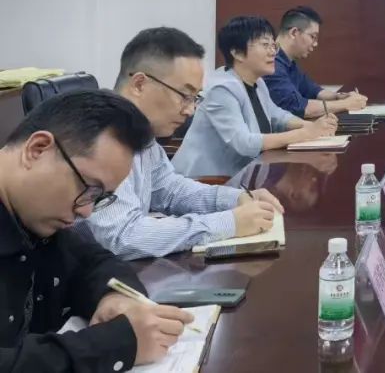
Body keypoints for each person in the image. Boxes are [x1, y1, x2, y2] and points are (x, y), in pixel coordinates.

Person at [0, 90, 194, 371]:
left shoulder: (37, 216)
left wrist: (116, 298)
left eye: (100, 197)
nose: (87, 211)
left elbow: (95, 262)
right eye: (89, 189)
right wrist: (113, 346)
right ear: (37, 149)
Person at [75, 27, 284, 260]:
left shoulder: (141, 132)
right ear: (139, 84)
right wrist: (229, 222)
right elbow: (123, 236)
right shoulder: (101, 136)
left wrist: (234, 199)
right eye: (184, 95)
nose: (190, 110)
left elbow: (170, 190)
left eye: (195, 98)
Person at [172, 16, 338, 180]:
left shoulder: (258, 82)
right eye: (265, 45)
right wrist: (305, 133)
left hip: (242, 177)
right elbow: (244, 143)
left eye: (273, 45)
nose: (273, 52)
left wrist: (311, 126)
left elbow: (277, 115)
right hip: (203, 181)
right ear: (237, 52)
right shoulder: (221, 89)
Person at [264, 6, 367, 119]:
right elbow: (300, 108)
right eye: (313, 37)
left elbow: (313, 91)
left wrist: (340, 97)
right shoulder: (271, 64)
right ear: (294, 33)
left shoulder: (288, 62)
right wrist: (346, 104)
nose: (315, 44)